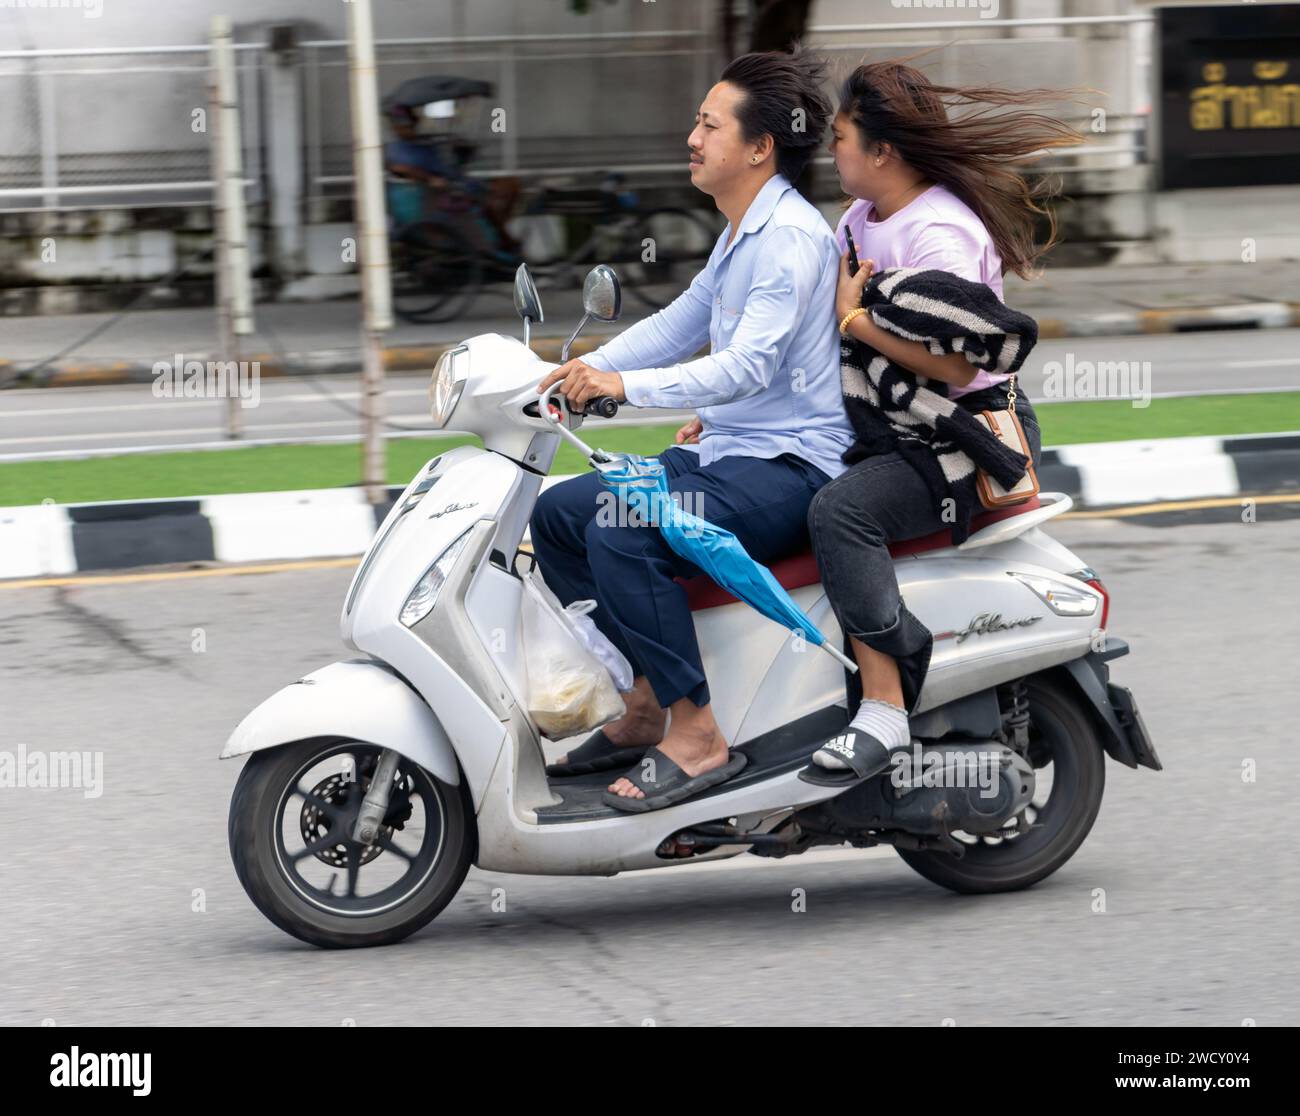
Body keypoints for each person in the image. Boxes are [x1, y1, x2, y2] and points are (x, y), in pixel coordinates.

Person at [530, 49, 854, 813]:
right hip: (731, 455)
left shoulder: (787, 240)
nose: (692, 137)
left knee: (623, 526)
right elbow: (685, 321)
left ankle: (698, 733)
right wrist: (572, 370)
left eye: (709, 125)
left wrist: (621, 386)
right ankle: (643, 703)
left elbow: (743, 368)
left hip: (791, 466)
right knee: (559, 514)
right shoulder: (744, 229)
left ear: (758, 147)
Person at [802, 59, 1080, 784]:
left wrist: (859, 320)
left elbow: (958, 368)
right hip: (895, 420)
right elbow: (821, 334)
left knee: (841, 514)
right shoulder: (859, 221)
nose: (831, 152)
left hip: (964, 432)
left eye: (840, 138)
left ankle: (887, 709)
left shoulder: (940, 235)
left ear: (881, 151)